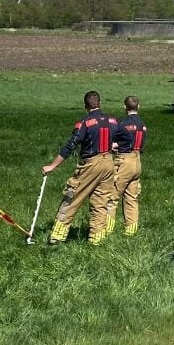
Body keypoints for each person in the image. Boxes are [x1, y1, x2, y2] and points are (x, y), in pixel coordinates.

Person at [41, 90, 117, 245]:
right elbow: (121, 138)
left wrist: (52, 166)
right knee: (100, 202)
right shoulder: (113, 121)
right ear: (100, 103)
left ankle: (56, 238)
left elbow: (71, 145)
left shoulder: (84, 122)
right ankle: (96, 239)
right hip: (109, 163)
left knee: (72, 198)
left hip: (91, 164)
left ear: (85, 106)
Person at [106, 96, 147, 237]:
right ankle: (131, 230)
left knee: (112, 196)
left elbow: (115, 142)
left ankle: (107, 229)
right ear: (139, 107)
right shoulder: (142, 124)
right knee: (132, 197)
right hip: (137, 161)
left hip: (125, 161)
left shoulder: (122, 124)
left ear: (124, 107)